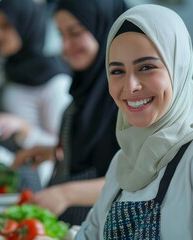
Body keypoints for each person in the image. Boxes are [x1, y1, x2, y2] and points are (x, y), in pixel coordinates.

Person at [74, 4, 193, 239]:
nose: (130, 87)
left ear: (177, 68)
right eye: (117, 71)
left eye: (146, 67)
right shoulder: (123, 162)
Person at [12, 0, 127, 225]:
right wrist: (54, 151)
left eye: (75, 33)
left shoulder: (127, 97)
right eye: (61, 34)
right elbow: (98, 154)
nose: (65, 46)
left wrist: (66, 194)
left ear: (103, 27)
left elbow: (135, 180)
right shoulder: (85, 86)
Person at [0, 0, 72, 190]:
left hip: (35, 184)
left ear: (26, 26)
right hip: (3, 178)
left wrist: (24, 129)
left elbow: (63, 147)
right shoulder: (10, 69)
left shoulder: (55, 81)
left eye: (6, 27)